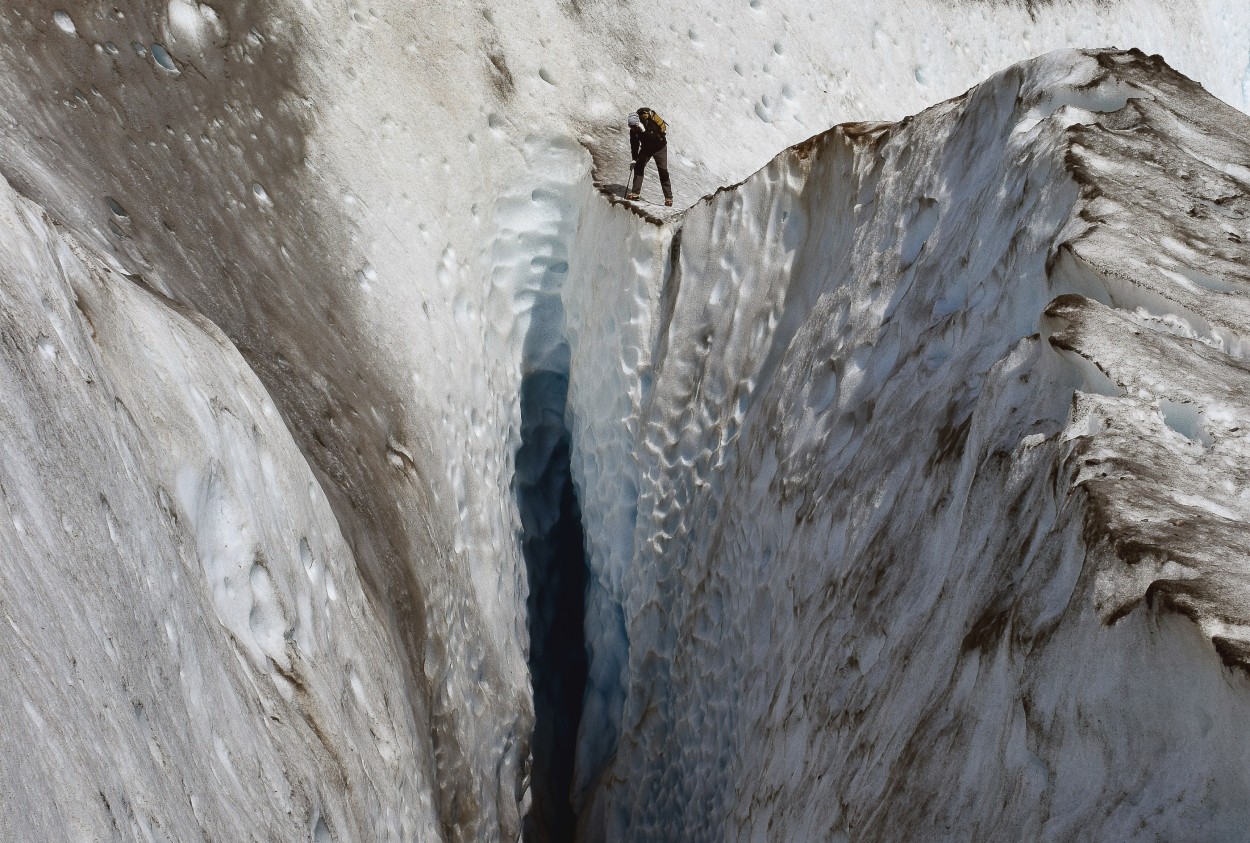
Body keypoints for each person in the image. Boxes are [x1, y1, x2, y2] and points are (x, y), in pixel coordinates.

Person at [627, 108, 673, 206]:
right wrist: (634, 159)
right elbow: (634, 144)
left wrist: (644, 131)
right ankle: (635, 193)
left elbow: (656, 139)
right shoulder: (633, 130)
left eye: (634, 126)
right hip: (646, 148)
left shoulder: (649, 124)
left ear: (638, 123)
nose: (632, 128)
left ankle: (668, 198)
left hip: (660, 148)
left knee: (662, 171)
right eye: (630, 126)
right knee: (639, 166)